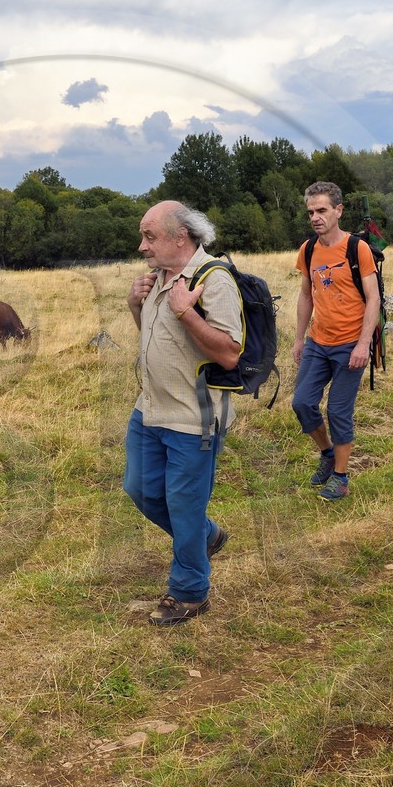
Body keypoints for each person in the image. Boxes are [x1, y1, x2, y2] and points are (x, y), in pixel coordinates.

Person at [124, 201, 243, 626]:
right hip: (149, 410)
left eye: (149, 236)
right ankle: (206, 537)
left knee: (184, 505)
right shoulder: (159, 278)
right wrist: (137, 307)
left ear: (181, 237)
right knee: (140, 489)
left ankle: (190, 591)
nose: (142, 246)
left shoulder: (214, 280)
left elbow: (229, 353)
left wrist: (185, 311)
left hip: (193, 419)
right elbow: (157, 339)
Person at [291, 182, 380, 500]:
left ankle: (340, 478)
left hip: (349, 343)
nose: (315, 217)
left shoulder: (357, 249)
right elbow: (305, 295)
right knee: (301, 402)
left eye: (322, 210)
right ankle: (328, 453)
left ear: (338, 211)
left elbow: (373, 299)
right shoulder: (308, 249)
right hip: (318, 341)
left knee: (339, 411)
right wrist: (299, 339)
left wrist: (363, 343)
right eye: (311, 212)